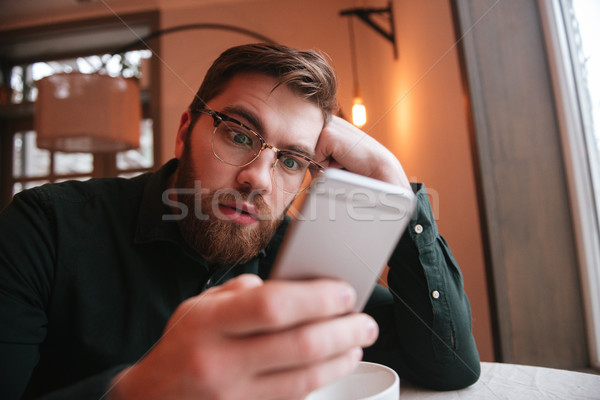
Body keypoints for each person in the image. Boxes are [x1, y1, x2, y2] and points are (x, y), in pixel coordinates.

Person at [0, 43, 480, 400]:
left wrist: (393, 185)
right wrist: (134, 392)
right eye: (238, 135)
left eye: (291, 160)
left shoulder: (298, 258)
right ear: (186, 132)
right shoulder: (46, 229)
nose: (258, 178)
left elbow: (450, 367)